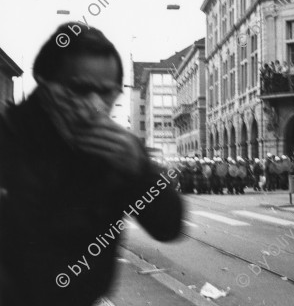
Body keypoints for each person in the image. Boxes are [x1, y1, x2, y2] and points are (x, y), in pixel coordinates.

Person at [0, 23, 183, 306]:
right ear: (47, 84)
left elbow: (168, 227)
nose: (96, 105)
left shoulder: (118, 150)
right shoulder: (10, 136)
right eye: (81, 89)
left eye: (107, 93)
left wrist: (140, 171)